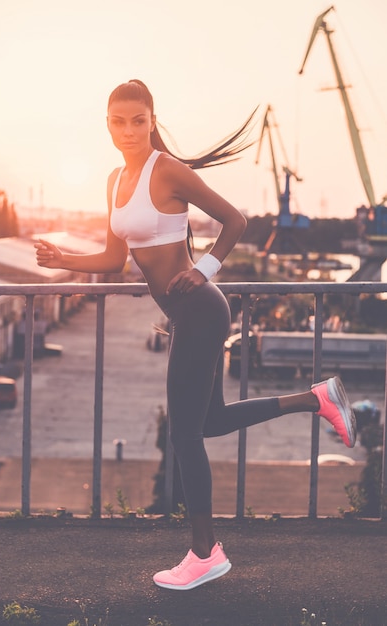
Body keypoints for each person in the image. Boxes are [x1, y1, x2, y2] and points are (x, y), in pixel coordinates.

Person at [35, 79, 356, 591]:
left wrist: (204, 268)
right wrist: (62, 260)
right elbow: (114, 260)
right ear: (107, 124)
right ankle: (316, 398)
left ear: (152, 119)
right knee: (210, 421)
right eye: (118, 121)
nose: (128, 131)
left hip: (202, 310)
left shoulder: (168, 171)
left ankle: (205, 553)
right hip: (188, 317)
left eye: (138, 120)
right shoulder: (116, 178)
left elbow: (235, 219)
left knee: (183, 435)